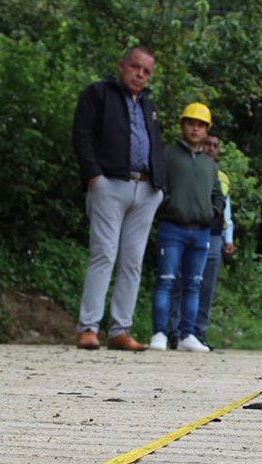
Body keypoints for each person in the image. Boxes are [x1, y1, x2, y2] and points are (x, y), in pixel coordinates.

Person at [72, 46, 166, 351]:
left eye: (146, 71)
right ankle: (88, 327)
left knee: (133, 262)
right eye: (135, 67)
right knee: (103, 253)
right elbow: (82, 134)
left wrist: (160, 186)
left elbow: (156, 145)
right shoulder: (99, 94)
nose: (140, 74)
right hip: (109, 183)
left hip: (146, 189)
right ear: (121, 65)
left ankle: (120, 330)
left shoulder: (148, 105)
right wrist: (93, 176)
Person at [148, 103, 224, 352]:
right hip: (172, 227)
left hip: (201, 231)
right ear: (182, 125)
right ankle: (159, 332)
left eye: (201, 125)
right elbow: (158, 185)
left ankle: (187, 336)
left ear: (206, 130)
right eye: (191, 123)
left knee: (194, 284)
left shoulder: (209, 164)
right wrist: (169, 206)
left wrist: (213, 212)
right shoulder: (167, 155)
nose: (195, 128)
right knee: (166, 281)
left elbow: (218, 195)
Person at [166, 134, 235, 349]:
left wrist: (228, 237)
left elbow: (226, 208)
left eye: (215, 146)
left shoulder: (220, 176)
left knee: (205, 286)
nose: (211, 149)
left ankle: (198, 333)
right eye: (208, 144)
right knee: (178, 281)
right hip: (185, 230)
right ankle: (174, 332)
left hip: (213, 234)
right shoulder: (184, 166)